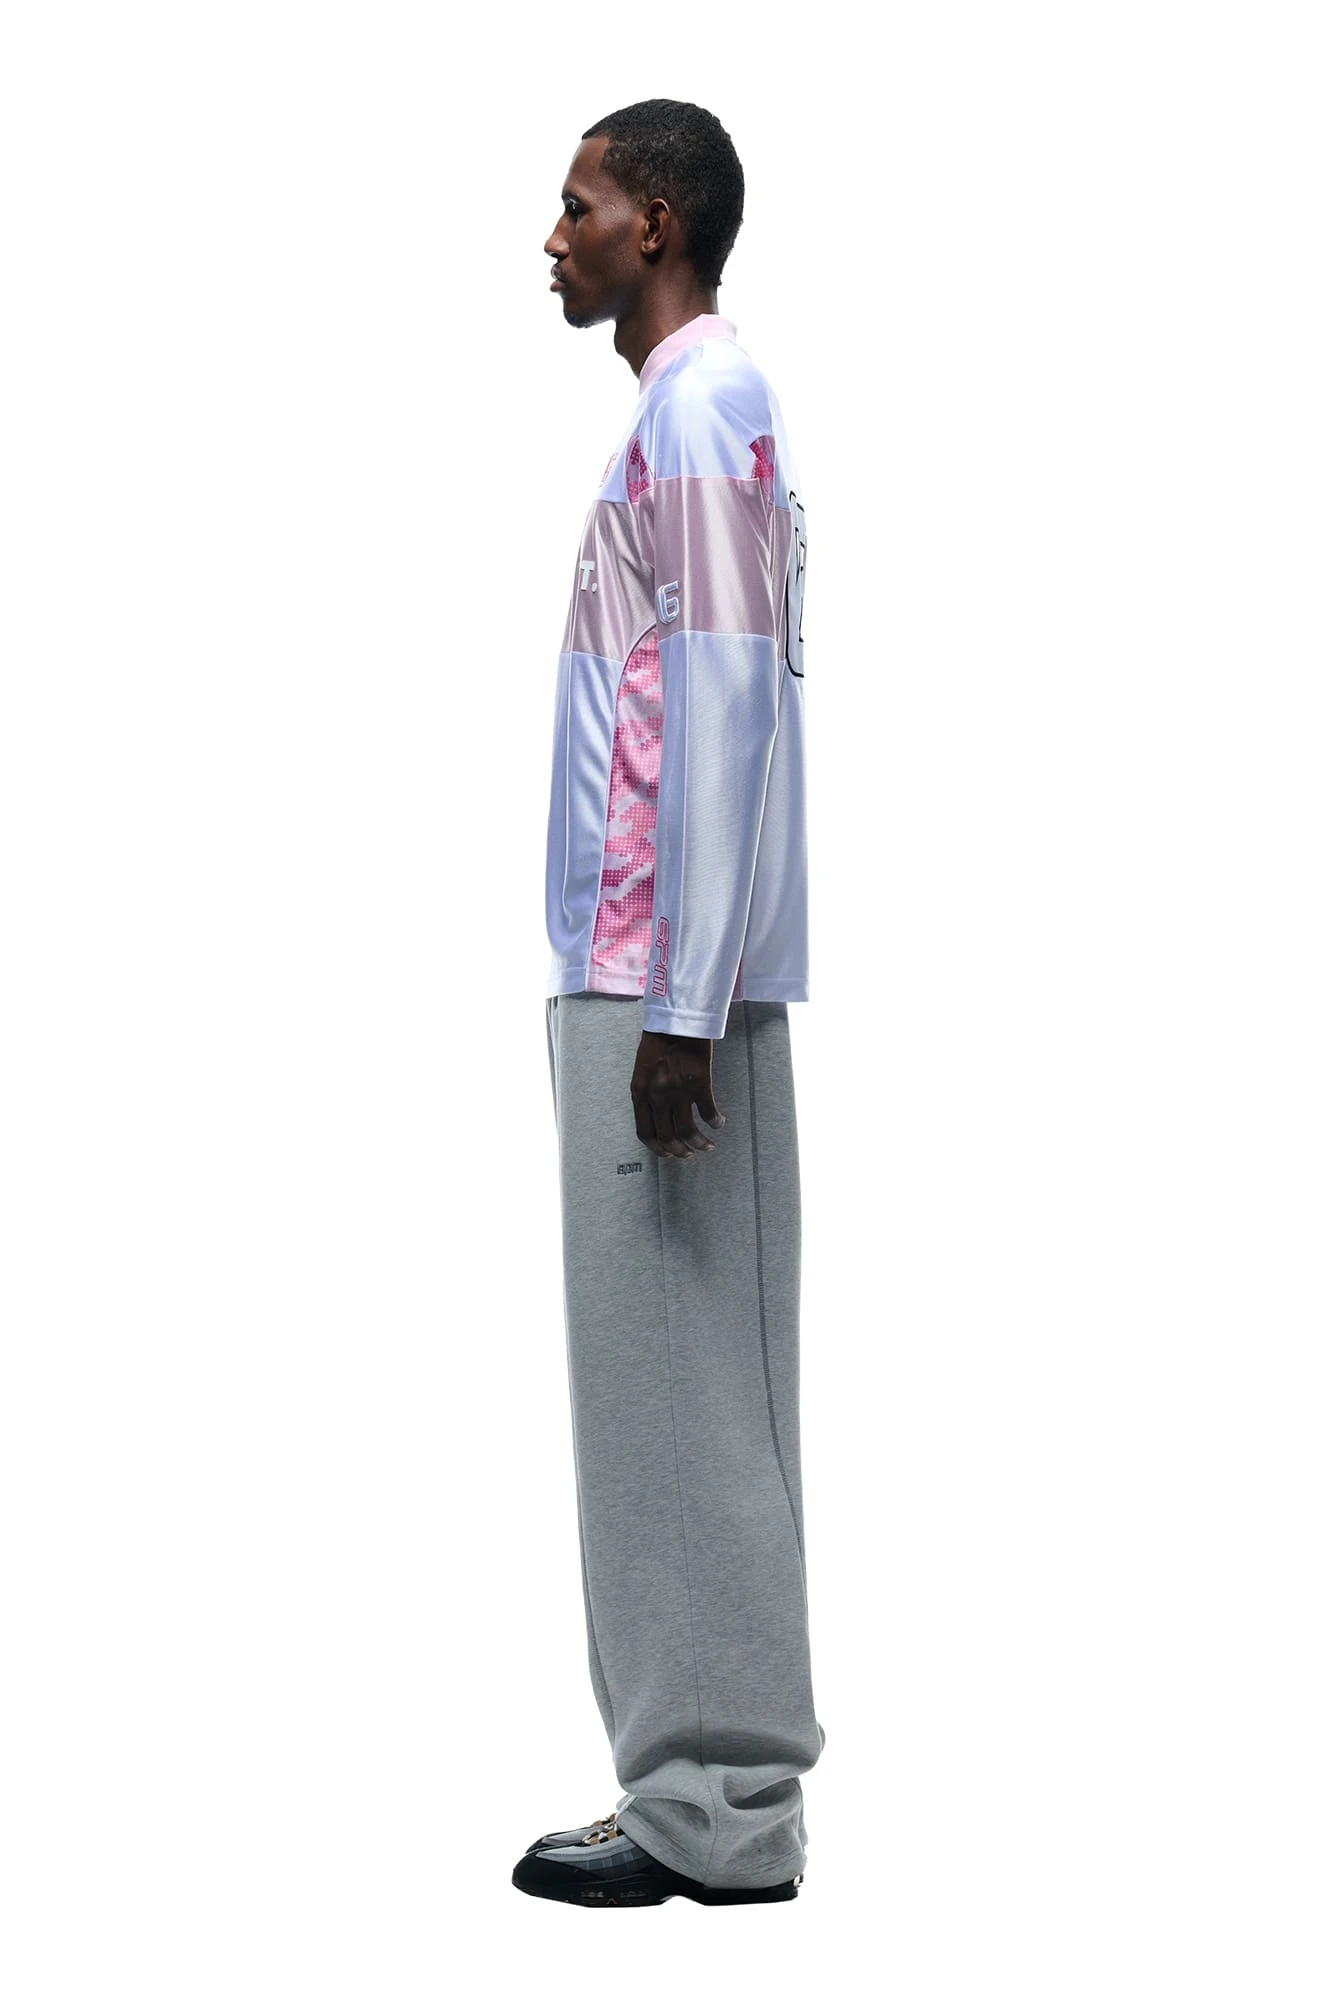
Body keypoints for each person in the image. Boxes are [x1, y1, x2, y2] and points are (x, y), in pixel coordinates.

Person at [514, 99, 824, 1911]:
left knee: (679, 1397)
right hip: (645, 976)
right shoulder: (687, 414)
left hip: (659, 989)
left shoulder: (703, 407)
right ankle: (712, 1797)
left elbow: (720, 702)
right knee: (668, 1393)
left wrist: (679, 1006)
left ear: (659, 225)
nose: (552, 237)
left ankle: (713, 1805)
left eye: (579, 206)